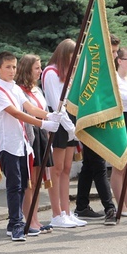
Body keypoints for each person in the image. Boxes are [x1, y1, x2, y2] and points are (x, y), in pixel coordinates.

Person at [0, 51, 61, 241]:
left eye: (14, 67)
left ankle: (15, 223)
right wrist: (43, 124)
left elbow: (30, 108)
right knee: (15, 186)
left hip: (22, 143)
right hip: (8, 144)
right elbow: (16, 114)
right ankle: (16, 224)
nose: (12, 71)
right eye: (7, 67)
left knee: (22, 186)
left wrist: (49, 115)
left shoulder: (15, 88)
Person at [74, 34, 119, 225]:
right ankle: (110, 208)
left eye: (117, 52)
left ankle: (81, 206)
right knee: (99, 165)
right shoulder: (93, 67)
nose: (115, 55)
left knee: (88, 166)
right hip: (92, 121)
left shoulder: (110, 69)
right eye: (113, 50)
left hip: (104, 121)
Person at [41, 39, 86, 228]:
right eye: (72, 55)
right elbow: (57, 104)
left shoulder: (68, 72)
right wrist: (70, 128)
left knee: (67, 168)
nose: (74, 60)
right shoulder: (51, 72)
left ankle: (67, 211)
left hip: (69, 123)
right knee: (56, 169)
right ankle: (56, 213)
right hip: (58, 123)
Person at [15, 54, 55, 235]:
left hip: (42, 135)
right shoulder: (19, 91)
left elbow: (43, 110)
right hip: (31, 136)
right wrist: (47, 119)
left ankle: (36, 219)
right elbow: (28, 113)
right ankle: (29, 219)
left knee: (38, 181)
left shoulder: (37, 90)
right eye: (37, 68)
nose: (40, 71)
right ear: (27, 69)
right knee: (29, 182)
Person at [112, 47, 127, 217]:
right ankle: (120, 205)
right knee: (119, 165)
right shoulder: (114, 79)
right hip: (120, 120)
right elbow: (119, 96)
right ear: (119, 61)